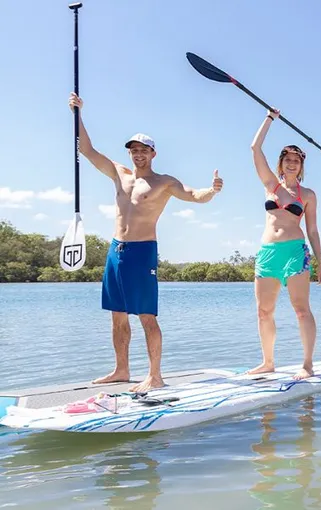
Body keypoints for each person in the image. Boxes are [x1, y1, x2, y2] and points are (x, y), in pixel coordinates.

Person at [69, 92, 224, 393]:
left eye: (144, 150)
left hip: (142, 252)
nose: (138, 154)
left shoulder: (163, 182)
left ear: (153, 153)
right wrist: (77, 113)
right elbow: (87, 150)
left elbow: (194, 196)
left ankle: (155, 375)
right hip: (116, 250)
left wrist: (212, 190)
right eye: (134, 150)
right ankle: (121, 369)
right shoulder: (120, 174)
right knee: (116, 316)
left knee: (146, 317)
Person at [248, 108, 321, 380]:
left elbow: (313, 230)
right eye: (287, 159)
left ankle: (307, 364)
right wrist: (270, 118)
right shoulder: (271, 186)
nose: (292, 163)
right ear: (280, 164)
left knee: (301, 310)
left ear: (302, 166)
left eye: (297, 160)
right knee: (263, 311)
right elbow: (255, 148)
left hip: (295, 252)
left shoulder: (309, 195)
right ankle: (268, 362)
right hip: (268, 253)